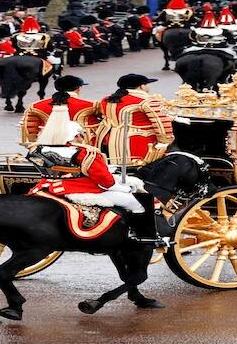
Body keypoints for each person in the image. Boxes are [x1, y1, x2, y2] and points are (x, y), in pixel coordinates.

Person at [28, 105, 163, 248]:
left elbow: (74, 169)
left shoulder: (42, 148)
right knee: (137, 203)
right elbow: (106, 182)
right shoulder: (85, 152)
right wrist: (125, 188)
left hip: (49, 186)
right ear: (76, 135)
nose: (83, 138)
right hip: (82, 189)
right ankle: (140, 237)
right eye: (81, 135)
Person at [95, 74, 174, 167]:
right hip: (138, 142)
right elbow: (161, 123)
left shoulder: (106, 99)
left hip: (109, 139)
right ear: (141, 86)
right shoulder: (146, 100)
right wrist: (165, 143)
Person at [20, 75, 101, 147]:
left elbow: (29, 128)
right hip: (85, 145)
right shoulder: (92, 105)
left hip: (47, 144)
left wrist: (34, 144)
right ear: (78, 89)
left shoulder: (35, 106)